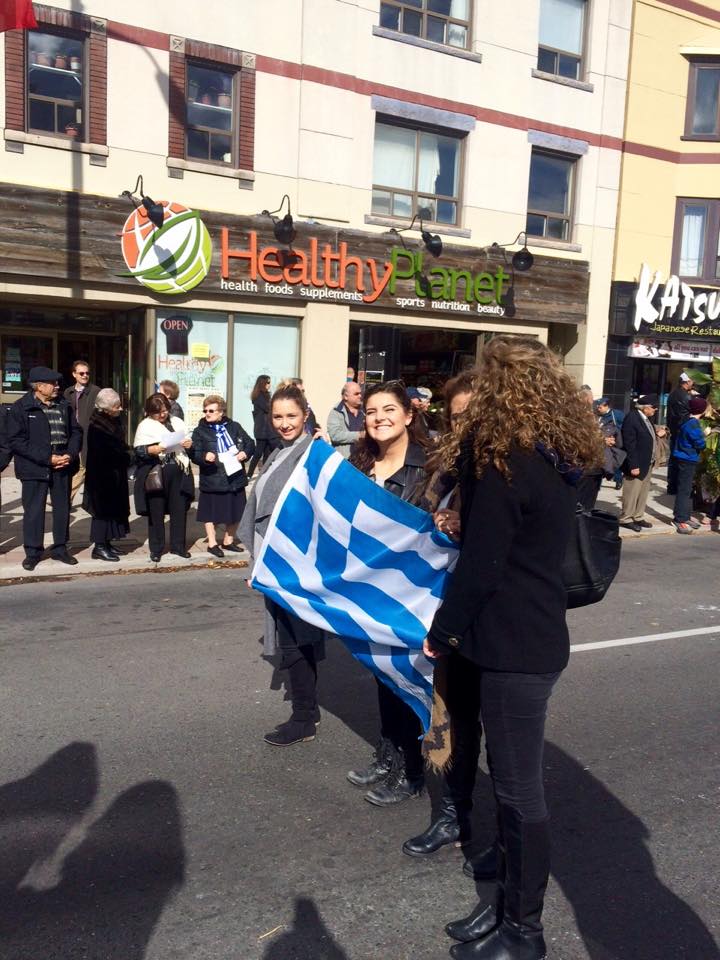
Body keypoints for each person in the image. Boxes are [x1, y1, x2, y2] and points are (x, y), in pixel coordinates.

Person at [423, 336, 602, 960]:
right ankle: (501, 902)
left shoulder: (504, 462)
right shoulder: (553, 454)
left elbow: (483, 566)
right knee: (508, 786)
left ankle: (524, 930)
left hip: (512, 646)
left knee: (520, 792)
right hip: (528, 635)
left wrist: (442, 632)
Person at [346, 382, 430, 806]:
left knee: (407, 682)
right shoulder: (359, 462)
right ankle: (389, 754)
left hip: (411, 595)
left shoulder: (429, 467)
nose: (379, 418)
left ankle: (412, 772)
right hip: (371, 591)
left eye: (389, 409)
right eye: (372, 411)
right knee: (383, 677)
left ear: (409, 415)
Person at [239, 383, 326, 746]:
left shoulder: (313, 452)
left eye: (291, 415)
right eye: (278, 416)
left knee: (296, 642)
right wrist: (257, 564)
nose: (284, 423)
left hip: (296, 566)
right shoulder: (278, 452)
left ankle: (304, 719)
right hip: (274, 564)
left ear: (305, 415)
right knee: (292, 640)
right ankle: (308, 712)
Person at [7, 366, 82, 571]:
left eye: (57, 383)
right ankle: (33, 552)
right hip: (34, 467)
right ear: (39, 387)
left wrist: (70, 454)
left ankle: (60, 549)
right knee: (34, 511)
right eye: (52, 383)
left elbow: (76, 432)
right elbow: (16, 441)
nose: (57, 386)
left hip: (62, 464)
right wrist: (47, 458)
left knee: (62, 509)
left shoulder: (64, 405)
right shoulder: (21, 408)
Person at [190, 394, 254, 557]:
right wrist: (204, 456)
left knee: (236, 510)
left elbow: (250, 443)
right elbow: (194, 454)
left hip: (234, 476)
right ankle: (212, 543)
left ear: (221, 412)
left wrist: (245, 453)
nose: (207, 413)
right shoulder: (199, 431)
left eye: (211, 410)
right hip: (212, 477)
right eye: (205, 410)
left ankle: (228, 540)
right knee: (210, 512)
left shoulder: (234, 426)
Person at [133, 393, 194, 562]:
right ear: (149, 412)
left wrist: (189, 444)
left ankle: (178, 546)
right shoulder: (145, 426)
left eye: (165, 410)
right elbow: (138, 451)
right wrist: (151, 449)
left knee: (179, 510)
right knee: (156, 511)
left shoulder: (177, 421)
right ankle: (156, 548)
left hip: (179, 469)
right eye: (157, 412)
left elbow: (188, 442)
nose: (162, 415)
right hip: (157, 471)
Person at [82, 388, 131, 562]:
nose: (120, 409)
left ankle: (107, 542)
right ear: (106, 408)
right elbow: (106, 452)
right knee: (101, 512)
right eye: (116, 406)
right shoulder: (98, 425)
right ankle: (99, 546)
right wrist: (127, 456)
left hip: (114, 473)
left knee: (112, 510)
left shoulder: (112, 420)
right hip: (102, 476)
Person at [620, 394, 659, 532]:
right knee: (632, 492)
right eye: (654, 407)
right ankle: (626, 518)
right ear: (645, 407)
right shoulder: (632, 418)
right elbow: (629, 444)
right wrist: (633, 465)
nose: (656, 409)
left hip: (647, 462)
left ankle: (638, 516)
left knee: (643, 492)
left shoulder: (646, 418)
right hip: (636, 463)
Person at [63, 360, 100, 503]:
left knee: (83, 465)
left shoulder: (96, 391)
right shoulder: (68, 392)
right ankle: (67, 497)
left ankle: (65, 496)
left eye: (87, 373)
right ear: (74, 374)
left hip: (88, 434)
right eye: (81, 373)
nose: (85, 376)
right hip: (72, 433)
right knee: (73, 464)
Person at [671, 395, 707, 534]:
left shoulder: (687, 420)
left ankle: (685, 516)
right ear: (701, 410)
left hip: (685, 458)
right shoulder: (693, 424)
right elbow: (700, 443)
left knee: (687, 490)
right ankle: (679, 519)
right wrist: (705, 435)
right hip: (687, 459)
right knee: (684, 490)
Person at [666, 372, 694, 494]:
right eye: (692, 381)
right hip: (682, 431)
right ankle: (678, 486)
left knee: (673, 459)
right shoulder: (686, 397)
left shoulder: (673, 394)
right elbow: (692, 411)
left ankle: (671, 486)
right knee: (682, 460)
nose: (693, 383)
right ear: (687, 382)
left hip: (674, 430)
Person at [247, 375, 275, 479]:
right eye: (268, 382)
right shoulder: (259, 396)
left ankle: (264, 474)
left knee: (267, 453)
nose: (269, 385)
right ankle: (249, 474)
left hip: (267, 429)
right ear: (262, 383)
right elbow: (268, 408)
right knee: (258, 452)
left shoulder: (266, 395)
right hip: (262, 429)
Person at [327, 381, 364, 458]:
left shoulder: (365, 411)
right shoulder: (336, 412)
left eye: (360, 393)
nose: (360, 396)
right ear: (346, 396)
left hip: (364, 459)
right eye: (356, 394)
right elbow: (335, 435)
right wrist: (359, 435)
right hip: (345, 460)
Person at [596, 397, 625, 488]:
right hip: (600, 442)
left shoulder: (617, 414)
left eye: (600, 407)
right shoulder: (597, 415)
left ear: (606, 406)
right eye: (598, 407)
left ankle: (618, 480)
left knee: (614, 462)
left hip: (614, 442)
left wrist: (617, 437)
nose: (598, 409)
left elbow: (625, 426)